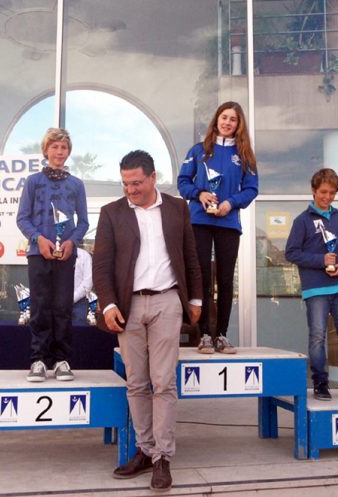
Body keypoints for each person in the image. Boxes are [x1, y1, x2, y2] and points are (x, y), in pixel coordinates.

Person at [93, 150, 202, 492]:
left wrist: (196, 298)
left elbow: (191, 257)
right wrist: (108, 305)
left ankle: (162, 459)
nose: (131, 190)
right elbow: (102, 266)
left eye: (137, 182)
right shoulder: (111, 213)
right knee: (137, 382)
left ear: (154, 178)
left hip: (168, 300)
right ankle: (144, 450)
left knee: (164, 381)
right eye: (125, 183)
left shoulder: (177, 208)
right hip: (128, 307)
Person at [177, 101, 258, 355]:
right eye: (224, 117)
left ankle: (222, 334)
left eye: (233, 119)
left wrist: (230, 203)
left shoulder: (245, 155)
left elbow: (251, 189)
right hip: (200, 221)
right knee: (201, 277)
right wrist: (199, 193)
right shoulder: (199, 150)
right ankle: (204, 336)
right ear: (216, 120)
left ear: (239, 124)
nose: (227, 122)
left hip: (228, 223)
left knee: (224, 279)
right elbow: (182, 182)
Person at [284, 168, 338, 401]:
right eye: (323, 192)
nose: (327, 197)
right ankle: (320, 383)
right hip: (315, 289)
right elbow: (291, 253)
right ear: (313, 191)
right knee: (318, 336)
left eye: (331, 193)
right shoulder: (302, 221)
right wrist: (320, 260)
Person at [17, 127, 89, 382]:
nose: (59, 152)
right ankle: (38, 360)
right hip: (38, 253)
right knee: (40, 307)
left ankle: (61, 360)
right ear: (46, 150)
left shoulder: (76, 184)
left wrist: (72, 241)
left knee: (62, 307)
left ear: (69, 152)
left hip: (65, 254)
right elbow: (22, 219)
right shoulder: (33, 182)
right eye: (55, 147)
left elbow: (84, 223)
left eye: (64, 147)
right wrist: (40, 239)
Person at [71, 246, 93, 326]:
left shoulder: (84, 255)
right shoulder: (52, 254)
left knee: (79, 334)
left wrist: (72, 299)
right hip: (55, 303)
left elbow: (88, 282)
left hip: (78, 303)